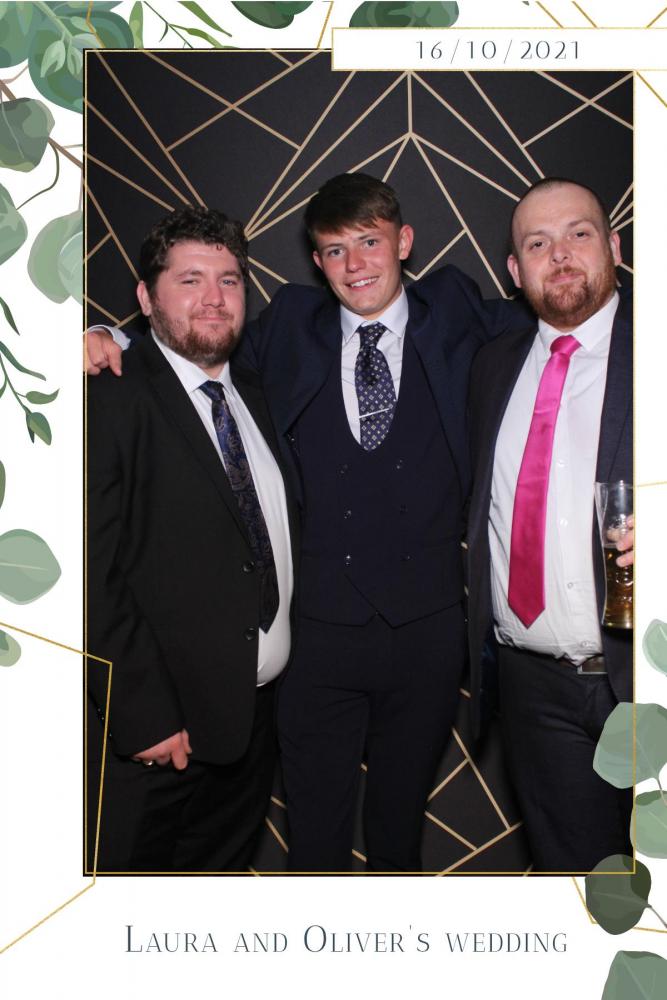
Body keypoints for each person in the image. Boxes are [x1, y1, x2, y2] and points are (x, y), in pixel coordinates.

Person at [87, 173, 505, 873]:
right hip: (315, 643)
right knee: (313, 840)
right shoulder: (286, 325)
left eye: (369, 242)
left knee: (399, 835)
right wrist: (106, 335)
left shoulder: (456, 307)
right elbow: (187, 343)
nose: (355, 264)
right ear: (316, 261)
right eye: (335, 250)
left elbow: (553, 325)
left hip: (428, 638)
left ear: (404, 242)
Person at [86, 206, 297, 872]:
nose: (213, 298)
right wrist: (141, 713)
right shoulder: (107, 397)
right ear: (146, 298)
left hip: (250, 729)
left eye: (229, 280)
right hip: (156, 738)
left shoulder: (256, 394)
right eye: (190, 280)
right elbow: (91, 571)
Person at [466, 178, 633, 872]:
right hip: (532, 691)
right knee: (582, 890)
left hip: (645, 675)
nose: (559, 255)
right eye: (537, 244)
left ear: (614, 247)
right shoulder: (492, 366)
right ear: (514, 270)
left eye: (578, 234)